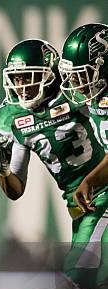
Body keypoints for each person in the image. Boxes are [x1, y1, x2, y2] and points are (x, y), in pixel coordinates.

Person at [0, 39, 107, 289]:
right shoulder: (14, 117)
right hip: (81, 205)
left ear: (50, 73)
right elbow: (16, 189)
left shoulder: (75, 95)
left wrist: (91, 181)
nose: (22, 86)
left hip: (102, 191)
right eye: (16, 79)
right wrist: (4, 170)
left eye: (28, 77)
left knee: (75, 278)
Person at [59, 24, 108, 222]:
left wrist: (91, 180)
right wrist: (92, 181)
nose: (77, 83)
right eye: (73, 75)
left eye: (83, 74)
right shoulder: (98, 95)